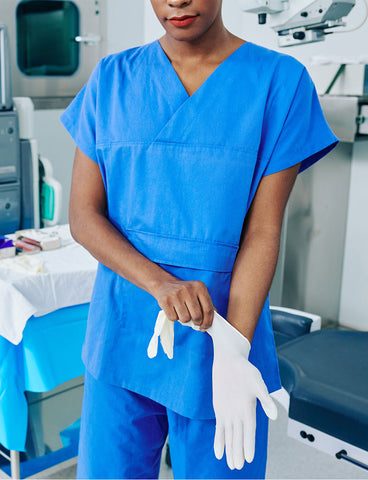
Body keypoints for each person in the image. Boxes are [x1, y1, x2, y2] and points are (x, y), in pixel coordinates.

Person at [60, 0, 338, 478]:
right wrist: (161, 285)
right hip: (123, 332)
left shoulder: (279, 82)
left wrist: (234, 350)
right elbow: (85, 217)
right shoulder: (111, 79)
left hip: (224, 330)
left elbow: (263, 231)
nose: (177, 1)